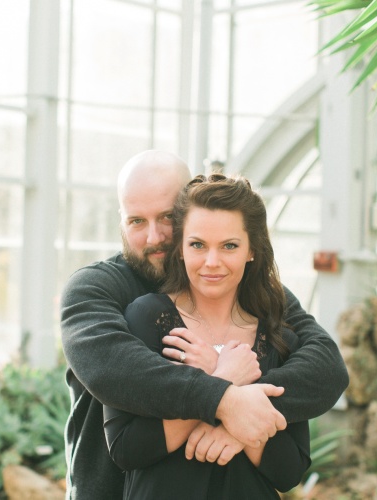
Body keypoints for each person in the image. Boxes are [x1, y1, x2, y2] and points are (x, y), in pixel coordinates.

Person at [60, 150, 348, 499]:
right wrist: (224, 394)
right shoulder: (96, 289)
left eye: (166, 217)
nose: (153, 238)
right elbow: (115, 369)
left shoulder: (255, 295)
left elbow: (325, 367)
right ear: (121, 219)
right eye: (136, 221)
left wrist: (242, 415)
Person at [103, 173, 311, 498]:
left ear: (252, 250)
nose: (212, 263)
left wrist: (236, 422)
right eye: (198, 245)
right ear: (181, 249)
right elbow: (125, 448)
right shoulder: (145, 318)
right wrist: (225, 382)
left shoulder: (278, 337)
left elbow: (288, 471)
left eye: (229, 246)